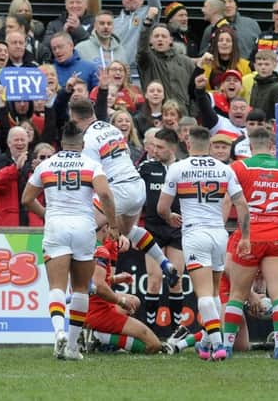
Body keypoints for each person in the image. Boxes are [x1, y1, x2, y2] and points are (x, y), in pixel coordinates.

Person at [21, 121, 119, 360]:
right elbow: (104, 193)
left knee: (56, 286)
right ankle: (73, 346)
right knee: (81, 288)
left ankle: (58, 334)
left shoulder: (47, 164)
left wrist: (47, 215)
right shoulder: (91, 164)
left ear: (60, 144)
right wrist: (113, 223)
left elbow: (26, 199)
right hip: (84, 226)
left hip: (56, 226)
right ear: (82, 144)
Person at [158, 126, 250, 360]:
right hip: (219, 234)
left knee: (204, 294)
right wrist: (246, 236)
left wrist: (169, 217)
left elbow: (161, 207)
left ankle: (218, 345)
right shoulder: (224, 169)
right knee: (215, 292)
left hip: (194, 234)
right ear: (209, 146)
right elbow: (241, 204)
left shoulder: (177, 168)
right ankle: (207, 343)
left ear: (188, 144)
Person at [68, 99, 179, 285]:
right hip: (136, 187)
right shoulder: (111, 129)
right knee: (126, 232)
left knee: (79, 230)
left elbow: (91, 176)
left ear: (75, 118)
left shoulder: (87, 140)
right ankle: (165, 263)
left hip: (117, 190)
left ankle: (91, 283)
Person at [222, 128, 278, 359]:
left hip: (251, 238)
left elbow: (227, 201)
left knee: (237, 294)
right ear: (272, 147)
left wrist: (227, 229)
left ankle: (227, 347)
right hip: (277, 237)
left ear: (250, 147)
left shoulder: (239, 168)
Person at [84, 224, 166, 354]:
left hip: (84, 308)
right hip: (98, 312)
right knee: (154, 345)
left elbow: (92, 283)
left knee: (134, 301)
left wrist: (116, 279)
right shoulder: (102, 250)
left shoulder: (83, 247)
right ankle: (100, 337)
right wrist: (121, 301)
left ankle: (95, 336)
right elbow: (99, 286)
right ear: (105, 228)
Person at [138, 128, 185, 329]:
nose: (154, 151)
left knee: (176, 281)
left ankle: (175, 331)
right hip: (153, 230)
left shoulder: (184, 167)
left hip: (177, 230)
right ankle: (151, 330)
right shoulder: (145, 167)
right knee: (154, 280)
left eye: (160, 147)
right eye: (153, 146)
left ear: (172, 148)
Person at [137, 6, 195, 107]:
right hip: (156, 115)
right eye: (156, 36)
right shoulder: (147, 61)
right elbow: (142, 48)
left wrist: (193, 115)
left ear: (171, 40)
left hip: (183, 116)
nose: (160, 39)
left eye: (164, 36)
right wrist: (148, 22)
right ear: (150, 41)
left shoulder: (186, 62)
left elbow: (195, 91)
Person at [113, 0, 161, 81]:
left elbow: (156, 6)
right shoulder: (113, 22)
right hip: (119, 73)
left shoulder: (147, 14)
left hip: (141, 73)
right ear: (122, 0)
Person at [242, 50, 278, 122]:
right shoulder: (255, 85)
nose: (263, 67)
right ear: (255, 66)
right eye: (260, 64)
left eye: (267, 64)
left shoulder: (277, 88)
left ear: (274, 65)